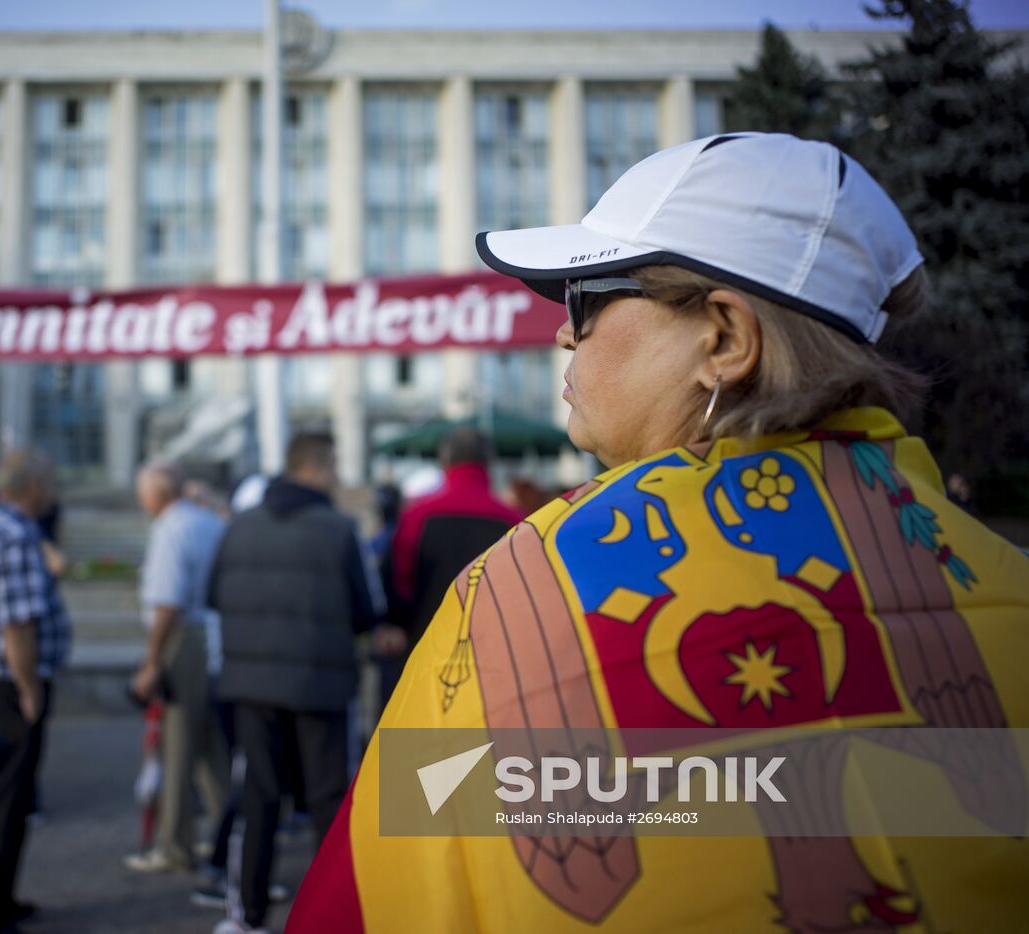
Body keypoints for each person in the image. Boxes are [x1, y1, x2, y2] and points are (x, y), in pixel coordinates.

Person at [288, 133, 1029, 932]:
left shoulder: (527, 582)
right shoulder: (1004, 579)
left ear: (724, 338)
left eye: (585, 298)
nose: (564, 335)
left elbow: (362, 897)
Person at [210, 433, 384, 934]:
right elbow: (365, 611)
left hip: (251, 684)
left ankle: (245, 916)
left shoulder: (238, 527)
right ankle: (332, 917)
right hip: (321, 685)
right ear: (319, 467)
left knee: (258, 799)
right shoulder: (338, 529)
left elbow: (214, 596)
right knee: (331, 802)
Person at [0, 449, 72, 934]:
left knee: (6, 799)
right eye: (50, 481)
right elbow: (18, 626)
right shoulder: (18, 535)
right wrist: (30, 691)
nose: (54, 490)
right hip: (9, 689)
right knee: (6, 802)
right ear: (31, 486)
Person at [125, 461, 231, 873]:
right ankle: (228, 834)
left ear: (155, 493)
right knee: (209, 746)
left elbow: (167, 600)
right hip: (211, 633)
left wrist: (152, 661)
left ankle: (175, 845)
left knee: (179, 744)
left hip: (183, 638)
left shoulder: (170, 528)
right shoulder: (206, 521)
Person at [380, 427, 523, 706]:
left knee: (410, 747)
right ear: (489, 463)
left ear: (444, 461)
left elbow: (398, 585)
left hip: (423, 656)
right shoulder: (515, 522)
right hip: (491, 665)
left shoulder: (415, 517)